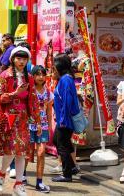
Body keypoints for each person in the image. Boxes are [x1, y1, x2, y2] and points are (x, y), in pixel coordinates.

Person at [0, 46, 41, 196]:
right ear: (13, 59)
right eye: (18, 58)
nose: (21, 61)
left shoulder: (30, 78)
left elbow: (33, 100)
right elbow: (0, 97)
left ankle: (18, 184)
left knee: (21, 152)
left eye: (24, 59)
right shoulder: (4, 75)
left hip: (23, 119)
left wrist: (38, 121)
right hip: (9, 117)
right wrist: (15, 93)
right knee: (10, 151)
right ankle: (1, 174)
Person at [51, 53, 78, 183]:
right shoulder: (64, 79)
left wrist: (63, 119)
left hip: (65, 119)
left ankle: (67, 174)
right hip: (63, 118)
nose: (53, 69)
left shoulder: (65, 80)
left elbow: (67, 100)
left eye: (54, 66)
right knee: (58, 141)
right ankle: (72, 167)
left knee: (61, 145)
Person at [29, 65, 52, 193]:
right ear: (33, 76)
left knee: (41, 153)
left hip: (42, 126)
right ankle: (22, 176)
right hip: (29, 125)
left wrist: (49, 127)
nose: (41, 77)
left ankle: (39, 182)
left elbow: (49, 112)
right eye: (38, 74)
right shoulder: (29, 91)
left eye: (43, 74)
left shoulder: (49, 93)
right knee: (27, 153)